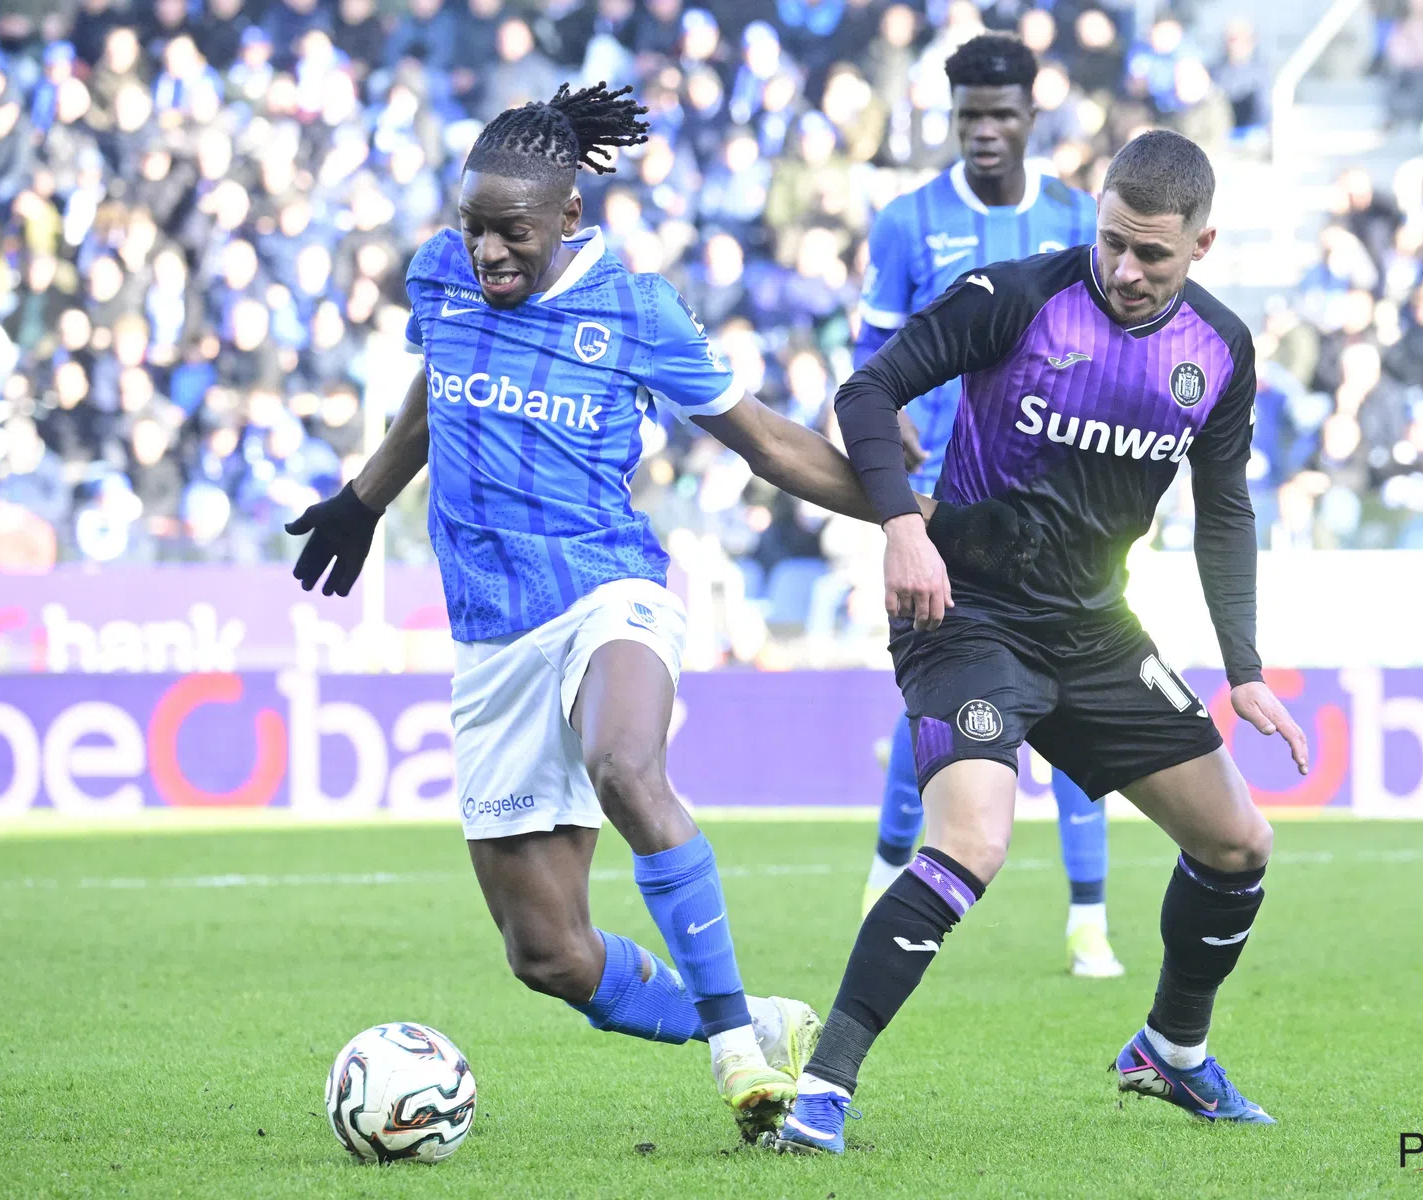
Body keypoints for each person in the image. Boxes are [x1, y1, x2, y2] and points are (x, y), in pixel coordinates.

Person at [282, 81, 1014, 1144]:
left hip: (605, 589)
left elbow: (765, 442)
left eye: (511, 233)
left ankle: (738, 1057)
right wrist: (365, 497)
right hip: (491, 639)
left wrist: (922, 516)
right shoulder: (438, 278)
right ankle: (756, 1016)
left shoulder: (636, 309)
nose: (486, 252)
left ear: (569, 218)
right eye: (472, 226)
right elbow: (433, 392)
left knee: (627, 765)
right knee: (551, 957)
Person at [772, 130, 1311, 1154]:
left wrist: (1243, 672)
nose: (1126, 270)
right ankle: (824, 1088)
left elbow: (1226, 509)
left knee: (1240, 843)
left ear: (1203, 243)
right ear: (1096, 218)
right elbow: (866, 393)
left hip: (1095, 631)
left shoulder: (1221, 351)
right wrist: (901, 530)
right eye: (1113, 242)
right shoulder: (1015, 296)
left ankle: (1173, 1053)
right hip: (966, 610)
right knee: (972, 840)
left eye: (1153, 253)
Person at [851, 32, 1124, 980]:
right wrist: (890, 444)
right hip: (945, 508)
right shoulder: (904, 223)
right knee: (930, 705)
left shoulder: (1083, 218)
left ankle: (1088, 919)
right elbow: (870, 363)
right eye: (969, 117)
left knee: (1082, 701)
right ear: (951, 118)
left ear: (1031, 116)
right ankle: (888, 872)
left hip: (1060, 508)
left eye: (1002, 115)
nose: (985, 133)